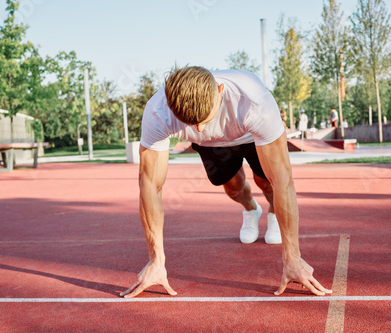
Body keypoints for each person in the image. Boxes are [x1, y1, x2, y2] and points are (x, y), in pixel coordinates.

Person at [120, 66, 332, 298]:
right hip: (212, 146)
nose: (199, 128)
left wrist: (293, 258)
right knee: (233, 188)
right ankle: (252, 209)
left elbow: (284, 180)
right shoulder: (158, 111)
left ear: (220, 91)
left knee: (267, 182)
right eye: (191, 123)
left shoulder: (254, 101)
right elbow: (150, 185)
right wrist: (156, 260)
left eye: (203, 119)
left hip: (251, 134)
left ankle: (273, 212)